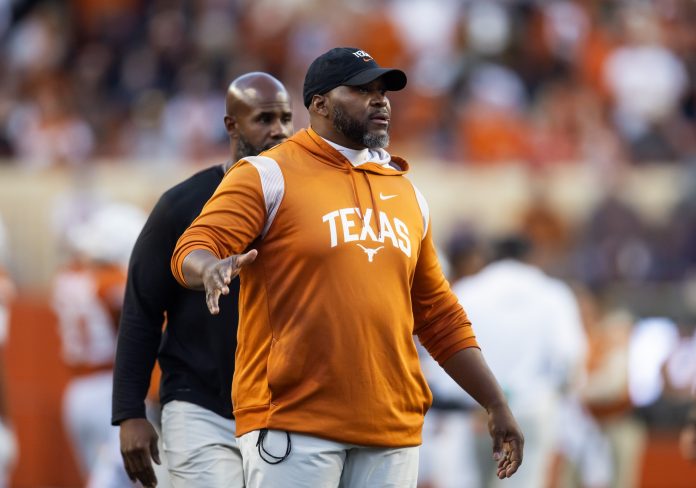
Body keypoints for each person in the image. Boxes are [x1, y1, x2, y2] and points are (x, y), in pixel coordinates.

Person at [171, 47, 524, 487]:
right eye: (361, 90)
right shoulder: (267, 174)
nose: (380, 100)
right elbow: (194, 245)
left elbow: (438, 316)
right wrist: (208, 269)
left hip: (391, 428)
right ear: (318, 104)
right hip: (294, 423)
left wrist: (494, 403)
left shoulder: (407, 193)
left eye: (382, 91)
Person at [111, 72, 293, 488]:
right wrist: (129, 413)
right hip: (200, 405)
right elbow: (141, 309)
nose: (279, 131)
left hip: (283, 409)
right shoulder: (182, 204)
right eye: (264, 119)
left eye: (285, 118)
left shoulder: (308, 203)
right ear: (232, 126)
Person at [422, 235, 591, 488]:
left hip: (472, 412)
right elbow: (568, 360)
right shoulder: (552, 294)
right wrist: (555, 394)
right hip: (529, 410)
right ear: (532, 257)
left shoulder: (469, 290)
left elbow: (440, 354)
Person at [52, 202, 146, 488]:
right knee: (118, 476)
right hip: (109, 388)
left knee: (104, 472)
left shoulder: (67, 278)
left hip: (76, 391)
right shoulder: (111, 282)